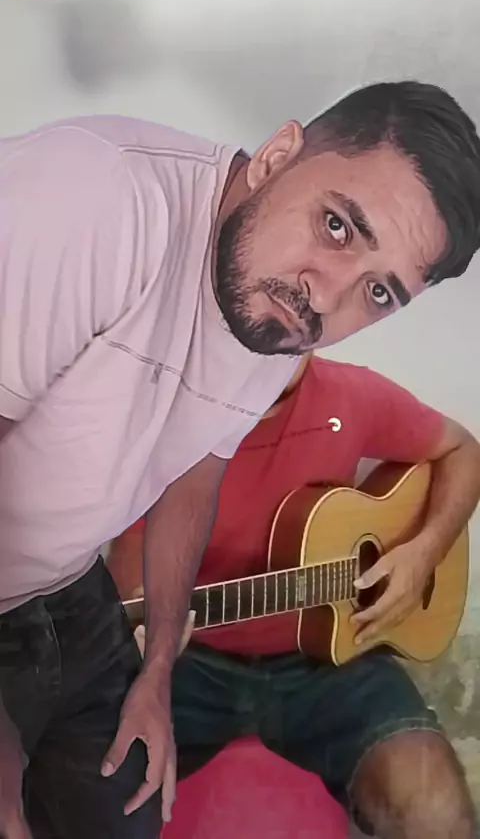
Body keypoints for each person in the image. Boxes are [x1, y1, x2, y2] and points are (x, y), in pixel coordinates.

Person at [1, 80, 480, 839]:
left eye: (379, 292)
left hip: (69, 592)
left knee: (128, 809)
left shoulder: (274, 317)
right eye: (336, 225)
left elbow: (194, 476)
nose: (328, 296)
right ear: (277, 155)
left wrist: (158, 670)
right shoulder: (95, 198)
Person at [109, 353, 480, 839]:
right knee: (88, 796)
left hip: (335, 665)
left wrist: (424, 552)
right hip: (189, 665)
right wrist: (144, 629)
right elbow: (129, 577)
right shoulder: (165, 415)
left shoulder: (353, 395)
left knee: (437, 814)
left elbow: (462, 450)